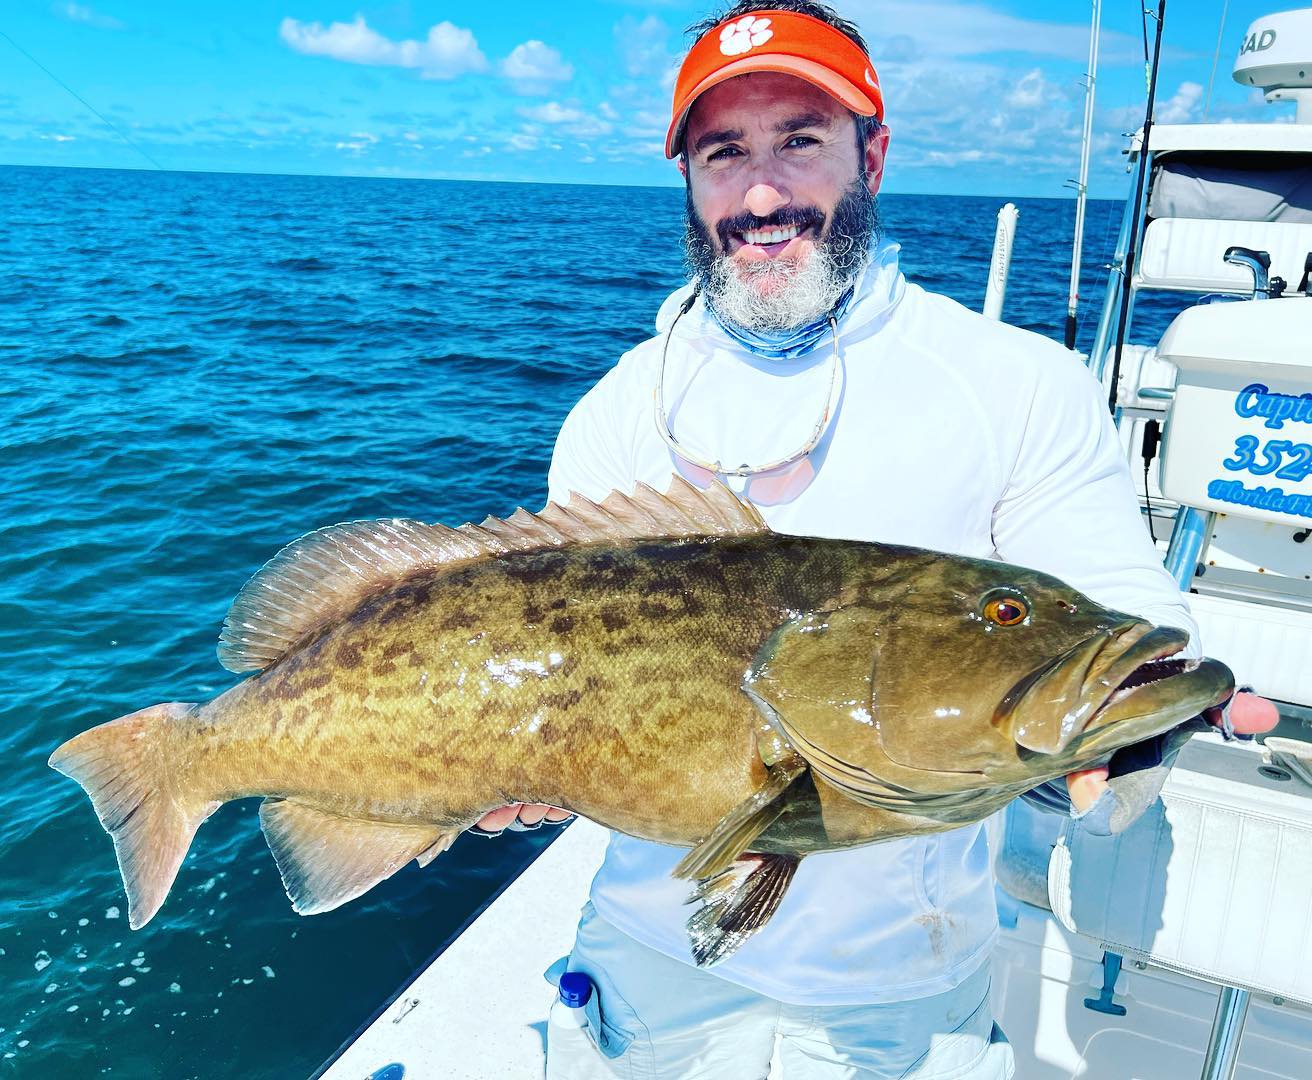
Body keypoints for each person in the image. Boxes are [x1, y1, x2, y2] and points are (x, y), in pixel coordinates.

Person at [475, 3, 1279, 1075]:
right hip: (646, 958)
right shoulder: (619, 413)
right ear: (689, 181)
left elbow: (1112, 592)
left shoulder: (1014, 382)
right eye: (725, 154)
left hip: (903, 987)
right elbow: (543, 666)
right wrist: (505, 772)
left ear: (874, 154)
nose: (762, 193)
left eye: (800, 141)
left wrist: (1124, 730)